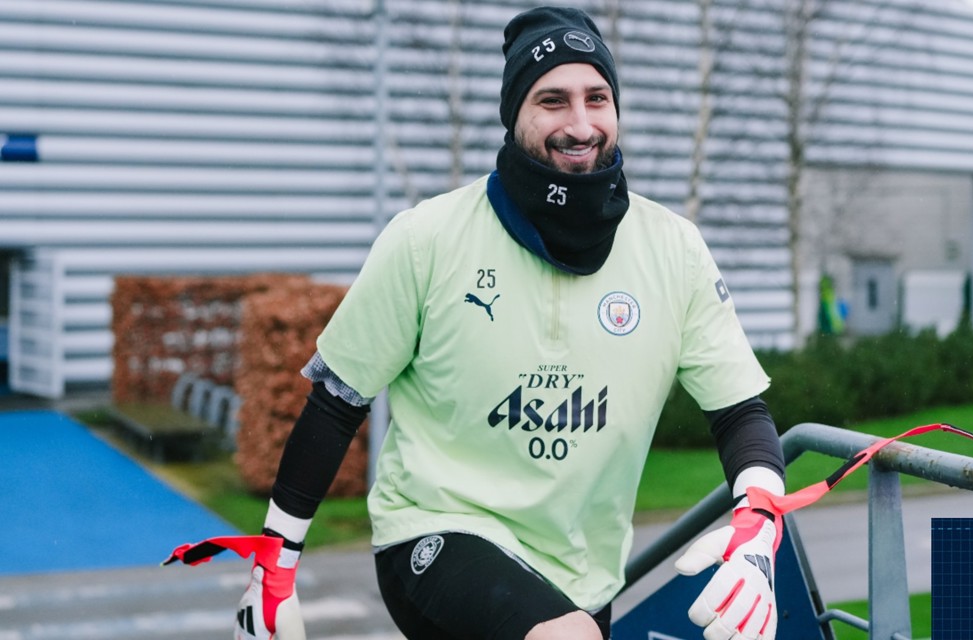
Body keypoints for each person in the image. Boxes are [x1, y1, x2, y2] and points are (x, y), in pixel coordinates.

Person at [170, 6, 786, 640]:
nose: (580, 124)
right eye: (553, 100)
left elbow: (741, 412)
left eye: (596, 98)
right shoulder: (426, 239)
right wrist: (274, 567)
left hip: (580, 574)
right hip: (434, 530)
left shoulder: (673, 249)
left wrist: (758, 527)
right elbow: (336, 401)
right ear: (515, 114)